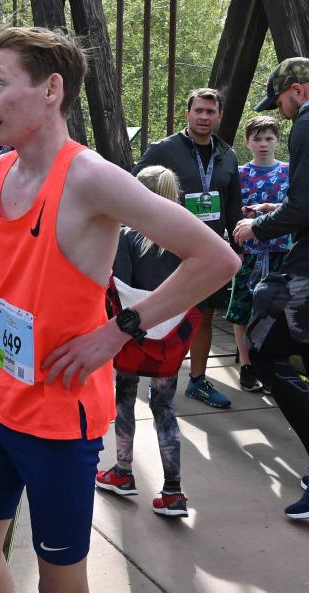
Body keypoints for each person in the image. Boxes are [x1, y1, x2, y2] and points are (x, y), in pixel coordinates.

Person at [0, 27, 237, 593]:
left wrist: (120, 331)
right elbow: (14, 290)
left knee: (61, 576)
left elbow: (216, 257)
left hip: (61, 417)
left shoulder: (90, 177)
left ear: (51, 89)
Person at [95, 166, 197, 517]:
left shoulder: (127, 237)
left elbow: (118, 287)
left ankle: (123, 472)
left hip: (133, 336)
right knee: (165, 408)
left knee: (125, 399)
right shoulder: (187, 235)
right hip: (172, 337)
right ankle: (173, 491)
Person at [133, 88, 243, 409]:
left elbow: (233, 208)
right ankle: (161, 380)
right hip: (170, 249)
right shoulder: (164, 150)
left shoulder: (228, 156)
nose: (204, 117)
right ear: (188, 114)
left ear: (219, 116)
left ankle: (197, 381)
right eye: (199, 111)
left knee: (203, 317)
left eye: (211, 112)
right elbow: (133, 185)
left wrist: (237, 248)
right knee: (168, 319)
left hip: (209, 251)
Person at [233, 58, 309, 521]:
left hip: (303, 268)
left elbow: (302, 207)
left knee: (264, 348)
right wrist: (277, 205)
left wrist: (256, 226)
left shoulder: (305, 122)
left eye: (281, 100)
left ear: (298, 90)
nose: (279, 111)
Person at [224, 115, 291, 393]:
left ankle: (275, 362)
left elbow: (295, 207)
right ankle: (247, 363)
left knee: (279, 311)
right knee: (242, 307)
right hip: (247, 251)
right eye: (257, 138)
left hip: (281, 251)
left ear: (278, 140)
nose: (263, 144)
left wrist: (268, 208)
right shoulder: (239, 174)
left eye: (268, 138)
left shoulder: (290, 171)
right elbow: (230, 208)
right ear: (247, 141)